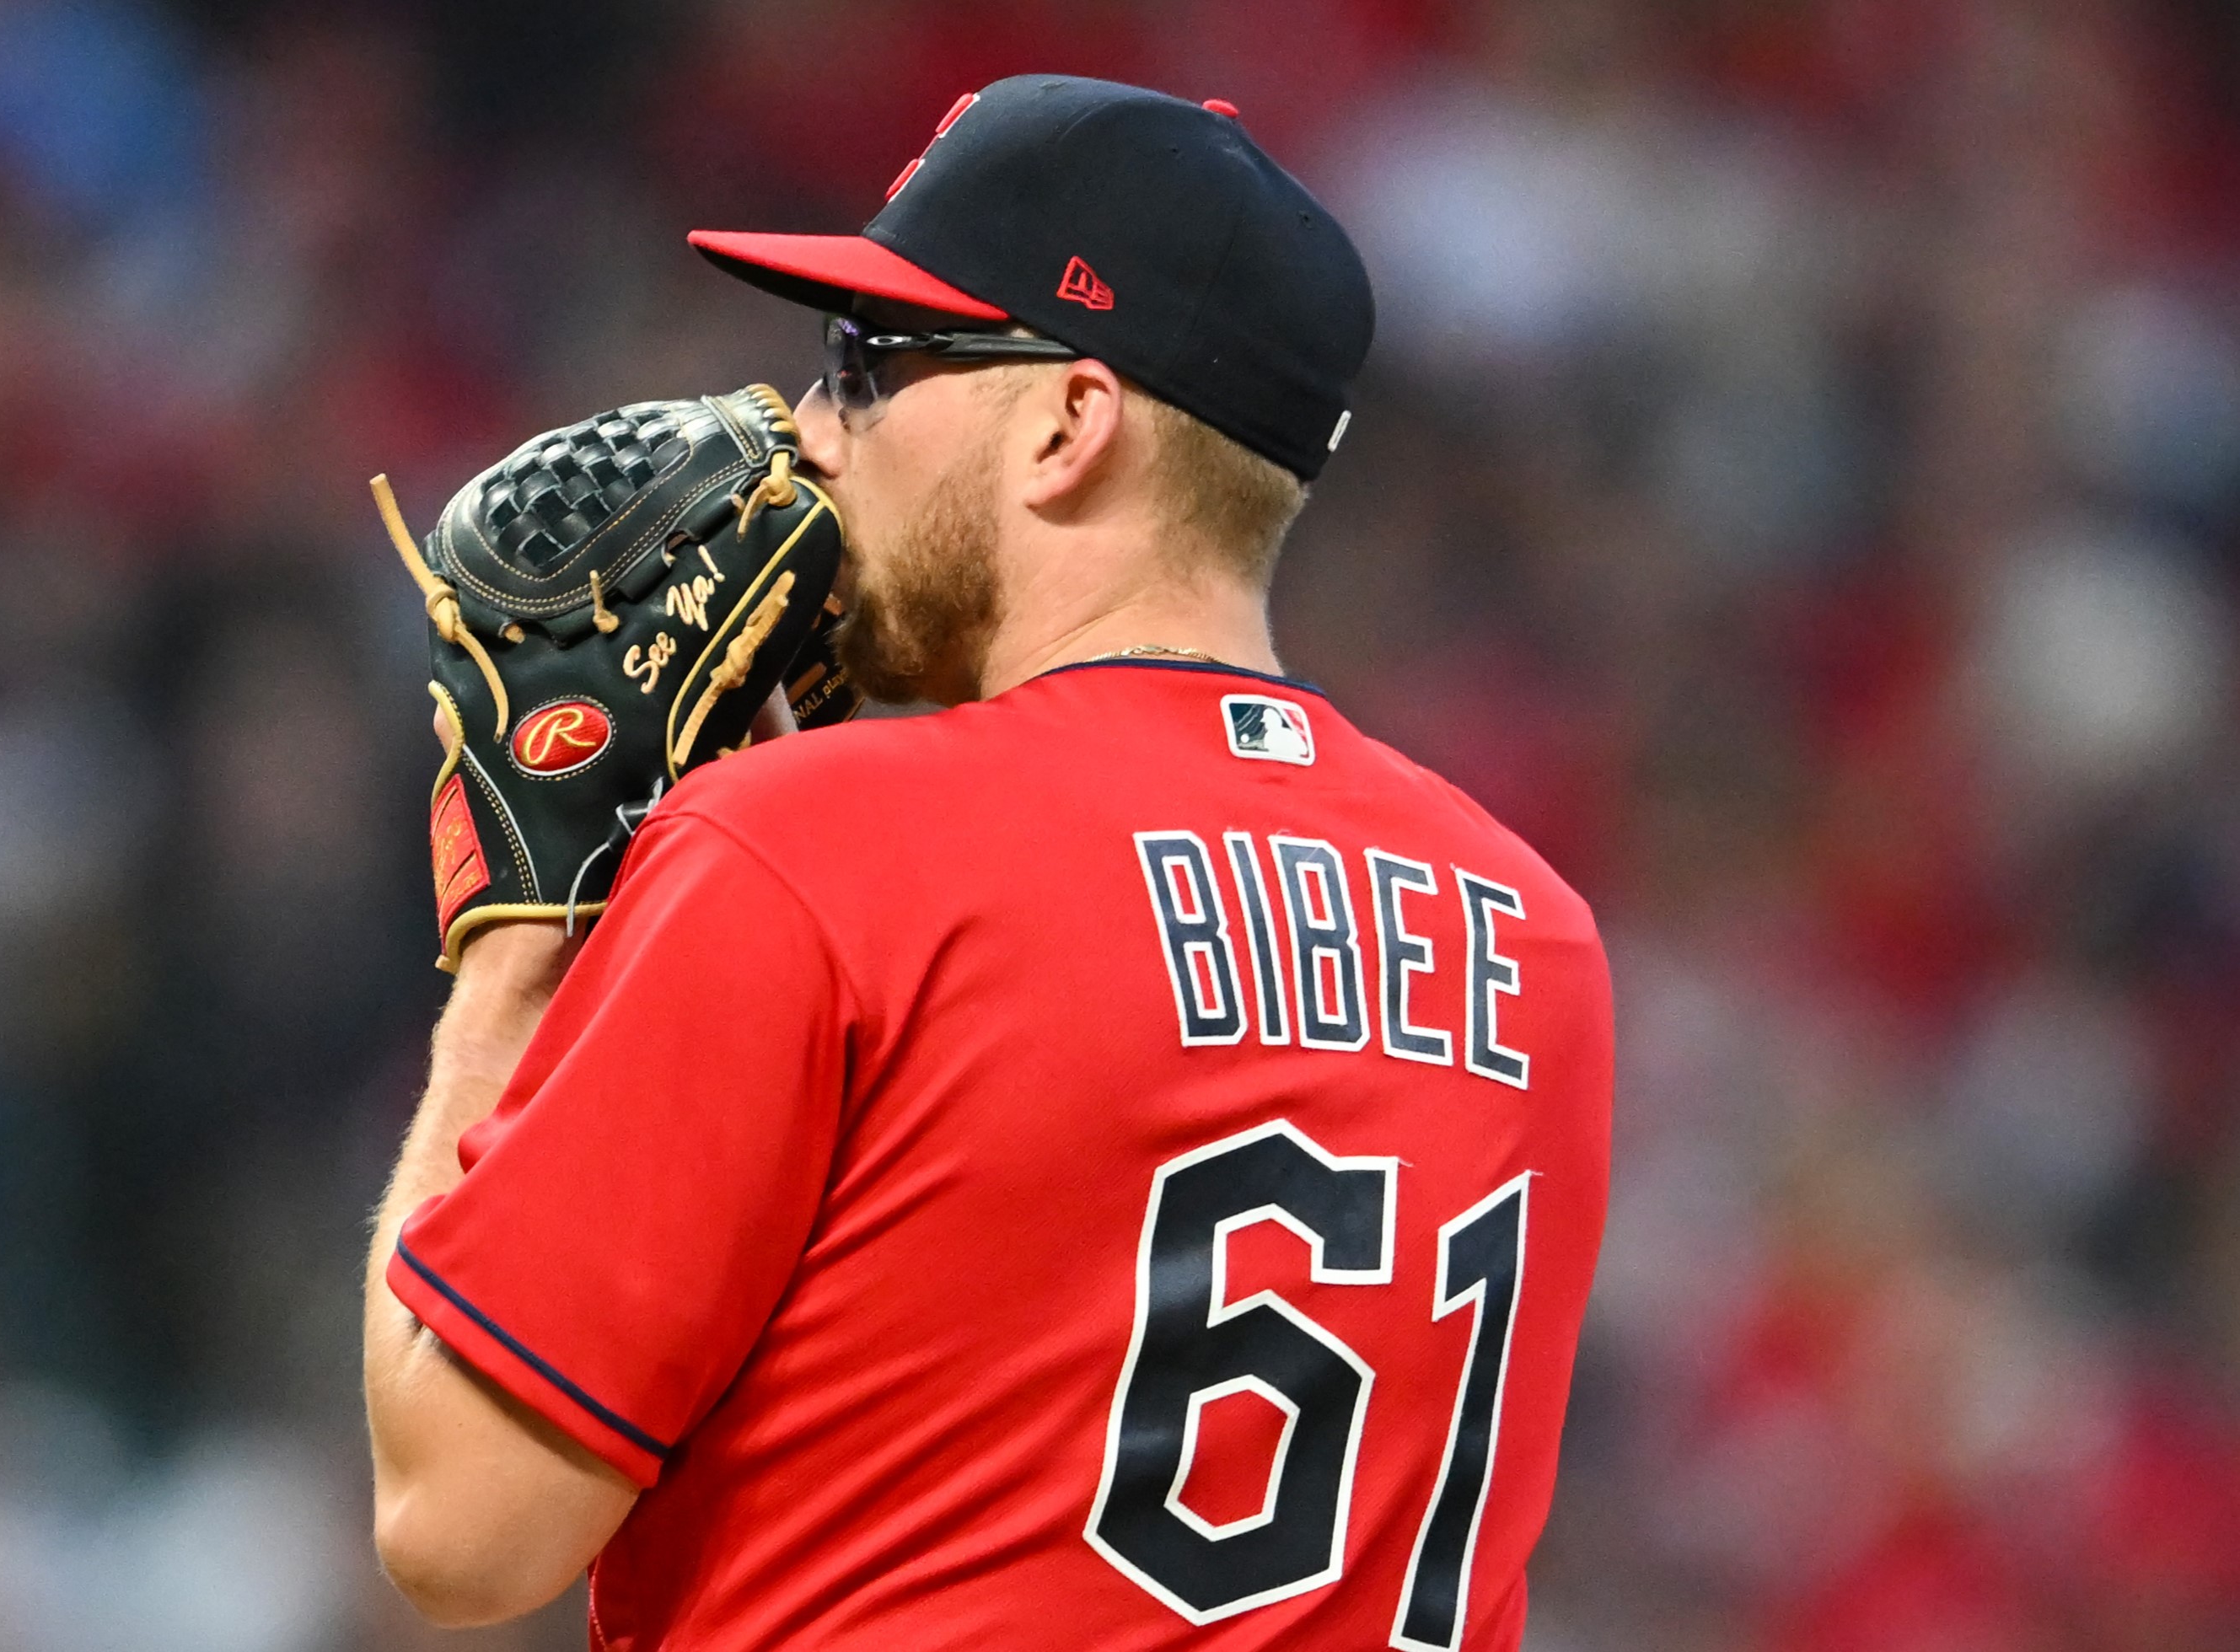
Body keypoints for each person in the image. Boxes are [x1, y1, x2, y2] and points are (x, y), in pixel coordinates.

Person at [363, 74, 1611, 1651]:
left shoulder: (814, 846)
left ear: (1069, 424)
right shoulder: (1540, 940)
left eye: (868, 366)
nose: (809, 436)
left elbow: (457, 1527)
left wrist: (521, 957)